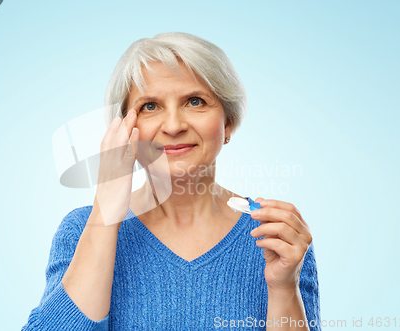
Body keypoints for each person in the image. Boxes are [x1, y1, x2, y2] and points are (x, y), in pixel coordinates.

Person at [21, 32, 321, 330]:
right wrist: (105, 214)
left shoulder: (276, 236)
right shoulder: (81, 230)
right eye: (150, 106)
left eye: (194, 101)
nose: (174, 126)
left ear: (227, 122)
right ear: (124, 128)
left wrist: (283, 287)